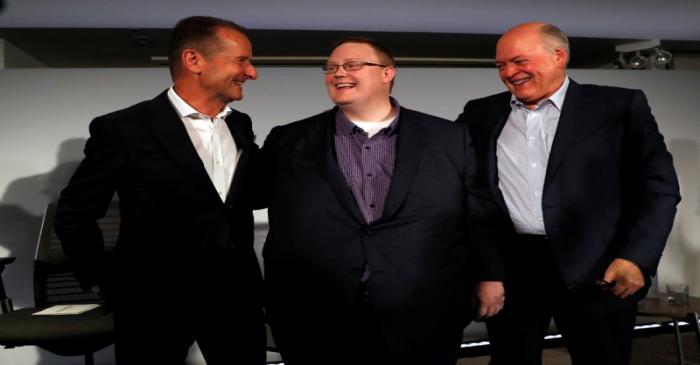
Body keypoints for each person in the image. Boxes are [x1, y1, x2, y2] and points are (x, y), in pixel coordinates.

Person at [259, 37, 501, 365]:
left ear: (387, 74)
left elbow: (478, 212)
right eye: (330, 67)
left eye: (352, 65)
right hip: (316, 311)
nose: (338, 73)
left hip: (422, 309)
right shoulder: (288, 140)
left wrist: (490, 275)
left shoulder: (448, 137)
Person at [456, 22, 681, 365]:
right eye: (501, 65)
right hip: (512, 270)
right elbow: (466, 190)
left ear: (558, 56)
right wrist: (484, 269)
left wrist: (635, 258)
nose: (508, 73)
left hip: (600, 269)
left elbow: (659, 188)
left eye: (518, 61)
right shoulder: (480, 113)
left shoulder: (618, 106)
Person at [53, 16, 265, 364]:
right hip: (153, 302)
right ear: (193, 60)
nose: (251, 72)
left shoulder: (240, 124)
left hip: (236, 297)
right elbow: (75, 213)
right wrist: (111, 283)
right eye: (241, 60)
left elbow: (243, 198)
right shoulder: (124, 128)